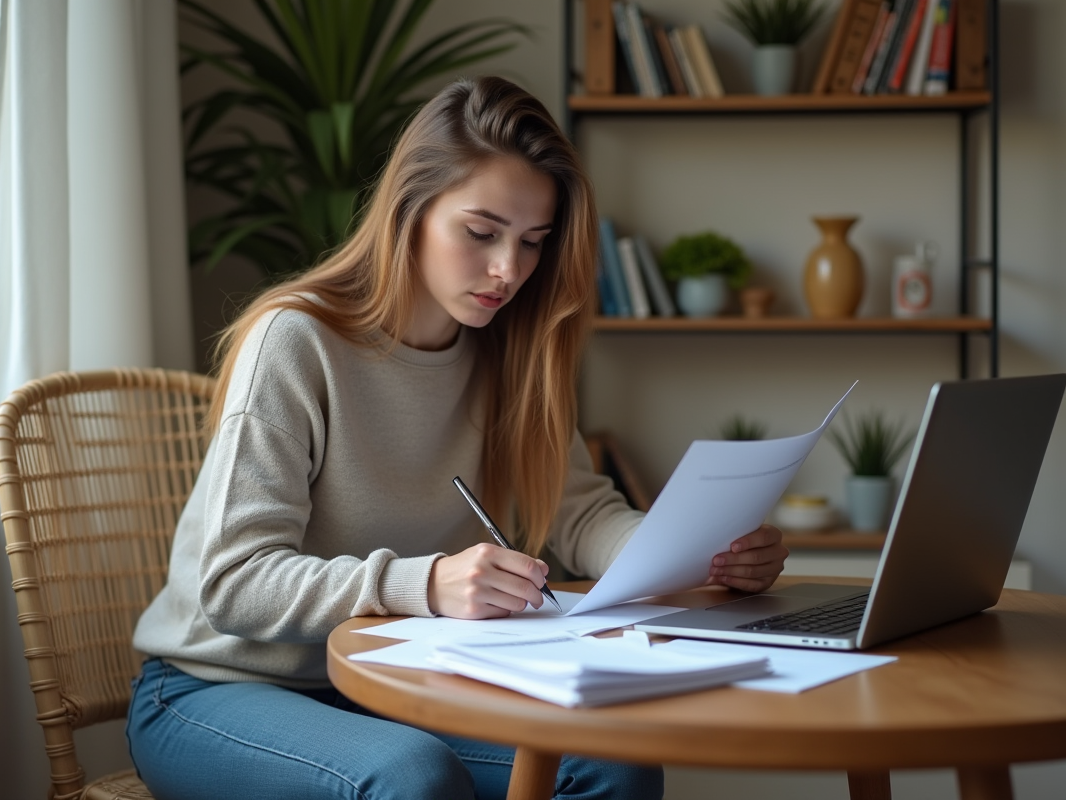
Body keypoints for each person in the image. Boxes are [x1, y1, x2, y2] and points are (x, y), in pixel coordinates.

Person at [127, 75, 787, 800]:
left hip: (386, 679)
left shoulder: (509, 354)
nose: (509, 270)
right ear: (410, 210)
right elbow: (233, 584)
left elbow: (580, 515)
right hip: (217, 686)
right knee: (413, 778)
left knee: (613, 764)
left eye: (532, 243)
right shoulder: (297, 341)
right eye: (481, 233)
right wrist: (427, 583)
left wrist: (695, 553)